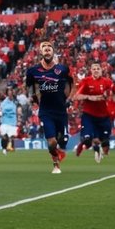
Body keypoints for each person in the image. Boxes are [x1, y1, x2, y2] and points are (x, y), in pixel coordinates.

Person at [24, 40, 74, 174]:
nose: (47, 49)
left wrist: (69, 98)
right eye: (44, 47)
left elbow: (71, 83)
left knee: (63, 142)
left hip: (61, 111)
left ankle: (60, 151)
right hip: (46, 111)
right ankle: (56, 164)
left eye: (49, 47)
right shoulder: (33, 71)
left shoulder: (62, 69)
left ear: (53, 51)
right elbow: (29, 86)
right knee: (52, 142)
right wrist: (32, 96)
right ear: (40, 52)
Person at [72, 62, 115, 162]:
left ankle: (98, 149)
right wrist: (89, 97)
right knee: (89, 140)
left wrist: (110, 94)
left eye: (98, 69)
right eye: (94, 69)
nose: (96, 70)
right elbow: (76, 96)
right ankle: (85, 146)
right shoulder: (86, 81)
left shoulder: (107, 82)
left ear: (101, 70)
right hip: (90, 115)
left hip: (103, 116)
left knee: (104, 143)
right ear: (91, 71)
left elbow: (113, 93)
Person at [0, 87, 19, 154]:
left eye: (11, 91)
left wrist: (18, 119)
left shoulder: (15, 101)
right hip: (5, 121)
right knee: (4, 136)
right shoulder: (4, 103)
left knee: (11, 137)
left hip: (13, 122)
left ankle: (9, 148)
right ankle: (4, 149)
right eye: (8, 92)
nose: (10, 93)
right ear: (7, 93)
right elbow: (1, 112)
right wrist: (0, 114)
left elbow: (16, 111)